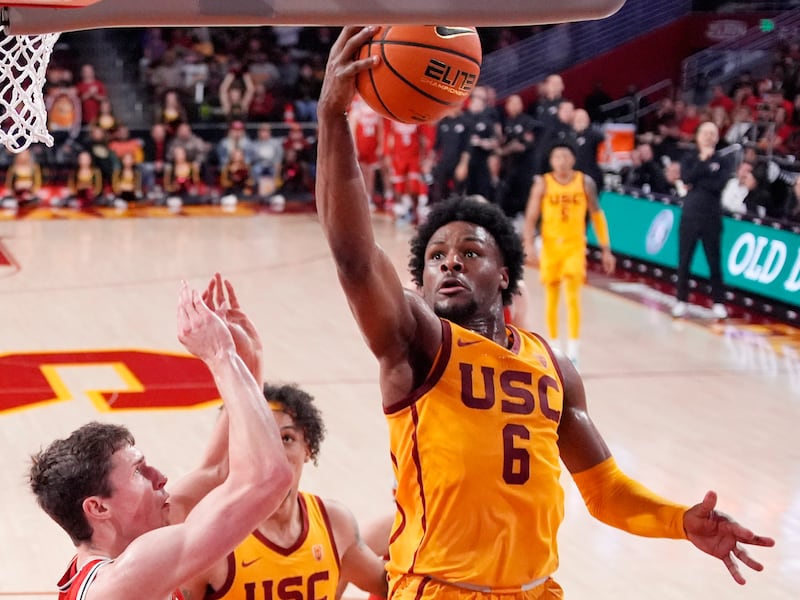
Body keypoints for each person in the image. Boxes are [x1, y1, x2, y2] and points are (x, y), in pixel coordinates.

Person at [315, 26, 774, 600]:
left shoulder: (554, 369)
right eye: (435, 257)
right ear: (421, 281)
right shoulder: (417, 342)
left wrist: (680, 521)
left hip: (537, 590)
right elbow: (355, 257)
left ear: (504, 274)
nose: (450, 261)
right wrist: (333, 118)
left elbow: (606, 492)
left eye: (470, 252)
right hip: (438, 588)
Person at [30, 279, 292, 600]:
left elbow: (219, 471)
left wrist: (247, 363)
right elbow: (268, 477)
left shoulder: (135, 538)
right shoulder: (122, 581)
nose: (160, 477)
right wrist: (219, 354)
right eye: (139, 471)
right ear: (98, 507)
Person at [180, 382, 389, 600]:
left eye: (287, 438)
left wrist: (411, 519)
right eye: (261, 439)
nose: (275, 451)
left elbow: (386, 584)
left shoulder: (334, 522)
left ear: (307, 448)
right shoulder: (211, 537)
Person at [522, 143, 615, 366]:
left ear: (573, 159)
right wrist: (528, 243)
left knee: (573, 297)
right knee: (551, 298)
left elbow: (597, 215)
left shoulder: (584, 182)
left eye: (565, 156)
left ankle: (574, 352)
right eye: (557, 157)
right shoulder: (543, 183)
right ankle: (554, 348)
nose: (562, 161)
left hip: (574, 246)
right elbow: (531, 215)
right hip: (550, 246)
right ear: (551, 160)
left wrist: (605, 248)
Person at [668, 121, 732, 320]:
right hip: (690, 215)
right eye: (705, 133)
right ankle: (681, 300)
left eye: (712, 133)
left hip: (712, 216)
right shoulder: (689, 157)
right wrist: (704, 163)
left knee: (714, 260)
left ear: (717, 137)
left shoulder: (724, 160)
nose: (708, 137)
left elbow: (718, 185)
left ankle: (719, 302)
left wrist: (699, 179)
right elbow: (687, 178)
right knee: (684, 260)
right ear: (697, 136)